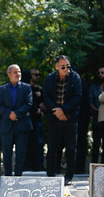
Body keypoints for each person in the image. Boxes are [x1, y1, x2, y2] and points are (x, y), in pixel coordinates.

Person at [43, 55, 82, 185]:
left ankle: (69, 176)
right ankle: (51, 175)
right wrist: (56, 111)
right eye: (63, 66)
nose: (66, 69)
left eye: (68, 66)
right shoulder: (50, 78)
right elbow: (46, 96)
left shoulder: (75, 78)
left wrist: (63, 111)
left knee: (70, 148)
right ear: (57, 67)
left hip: (69, 118)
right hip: (54, 118)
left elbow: (77, 97)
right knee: (52, 147)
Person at [0, 64, 33, 176]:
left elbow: (29, 103)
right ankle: (7, 177)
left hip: (22, 125)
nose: (18, 74)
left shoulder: (26, 88)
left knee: (20, 153)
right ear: (9, 75)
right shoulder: (1, 89)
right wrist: (9, 114)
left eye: (19, 72)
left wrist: (16, 114)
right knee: (7, 153)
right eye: (15, 72)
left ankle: (18, 177)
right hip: (7, 125)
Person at [24, 68, 46, 171]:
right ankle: (28, 165)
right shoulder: (26, 89)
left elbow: (45, 104)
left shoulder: (40, 90)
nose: (37, 77)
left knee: (39, 142)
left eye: (38, 75)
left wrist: (41, 108)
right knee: (28, 143)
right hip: (28, 119)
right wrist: (36, 107)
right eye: (35, 74)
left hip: (37, 120)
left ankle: (39, 165)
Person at [89, 67, 104, 163]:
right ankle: (94, 166)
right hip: (96, 119)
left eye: (102, 73)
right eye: (99, 73)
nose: (100, 74)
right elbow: (90, 102)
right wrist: (97, 110)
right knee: (96, 144)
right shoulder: (93, 87)